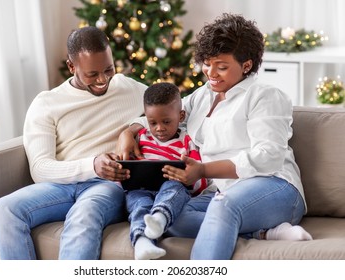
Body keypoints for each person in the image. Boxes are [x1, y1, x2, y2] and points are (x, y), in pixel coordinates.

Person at [117, 13, 312, 260]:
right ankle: (264, 233)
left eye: (221, 66)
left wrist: (204, 170)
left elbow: (269, 157)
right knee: (170, 217)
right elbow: (167, 116)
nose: (211, 73)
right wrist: (129, 131)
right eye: (207, 63)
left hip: (275, 186)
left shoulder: (265, 96)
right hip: (220, 192)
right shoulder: (203, 96)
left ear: (247, 65)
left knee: (224, 206)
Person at [0, 26, 147, 259]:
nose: (103, 80)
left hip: (107, 185)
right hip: (60, 185)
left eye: (108, 69)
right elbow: (40, 168)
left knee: (84, 215)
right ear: (72, 67)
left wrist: (132, 128)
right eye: (92, 74)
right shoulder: (47, 104)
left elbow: (176, 110)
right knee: (5, 209)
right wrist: (92, 165)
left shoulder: (129, 88)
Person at [125, 82, 208, 260]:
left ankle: (160, 218)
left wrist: (187, 178)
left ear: (181, 115)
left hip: (172, 190)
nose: (159, 128)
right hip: (141, 190)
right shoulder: (141, 138)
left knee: (173, 186)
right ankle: (142, 243)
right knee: (139, 205)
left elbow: (199, 180)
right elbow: (128, 170)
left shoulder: (187, 142)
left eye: (166, 122)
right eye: (152, 122)